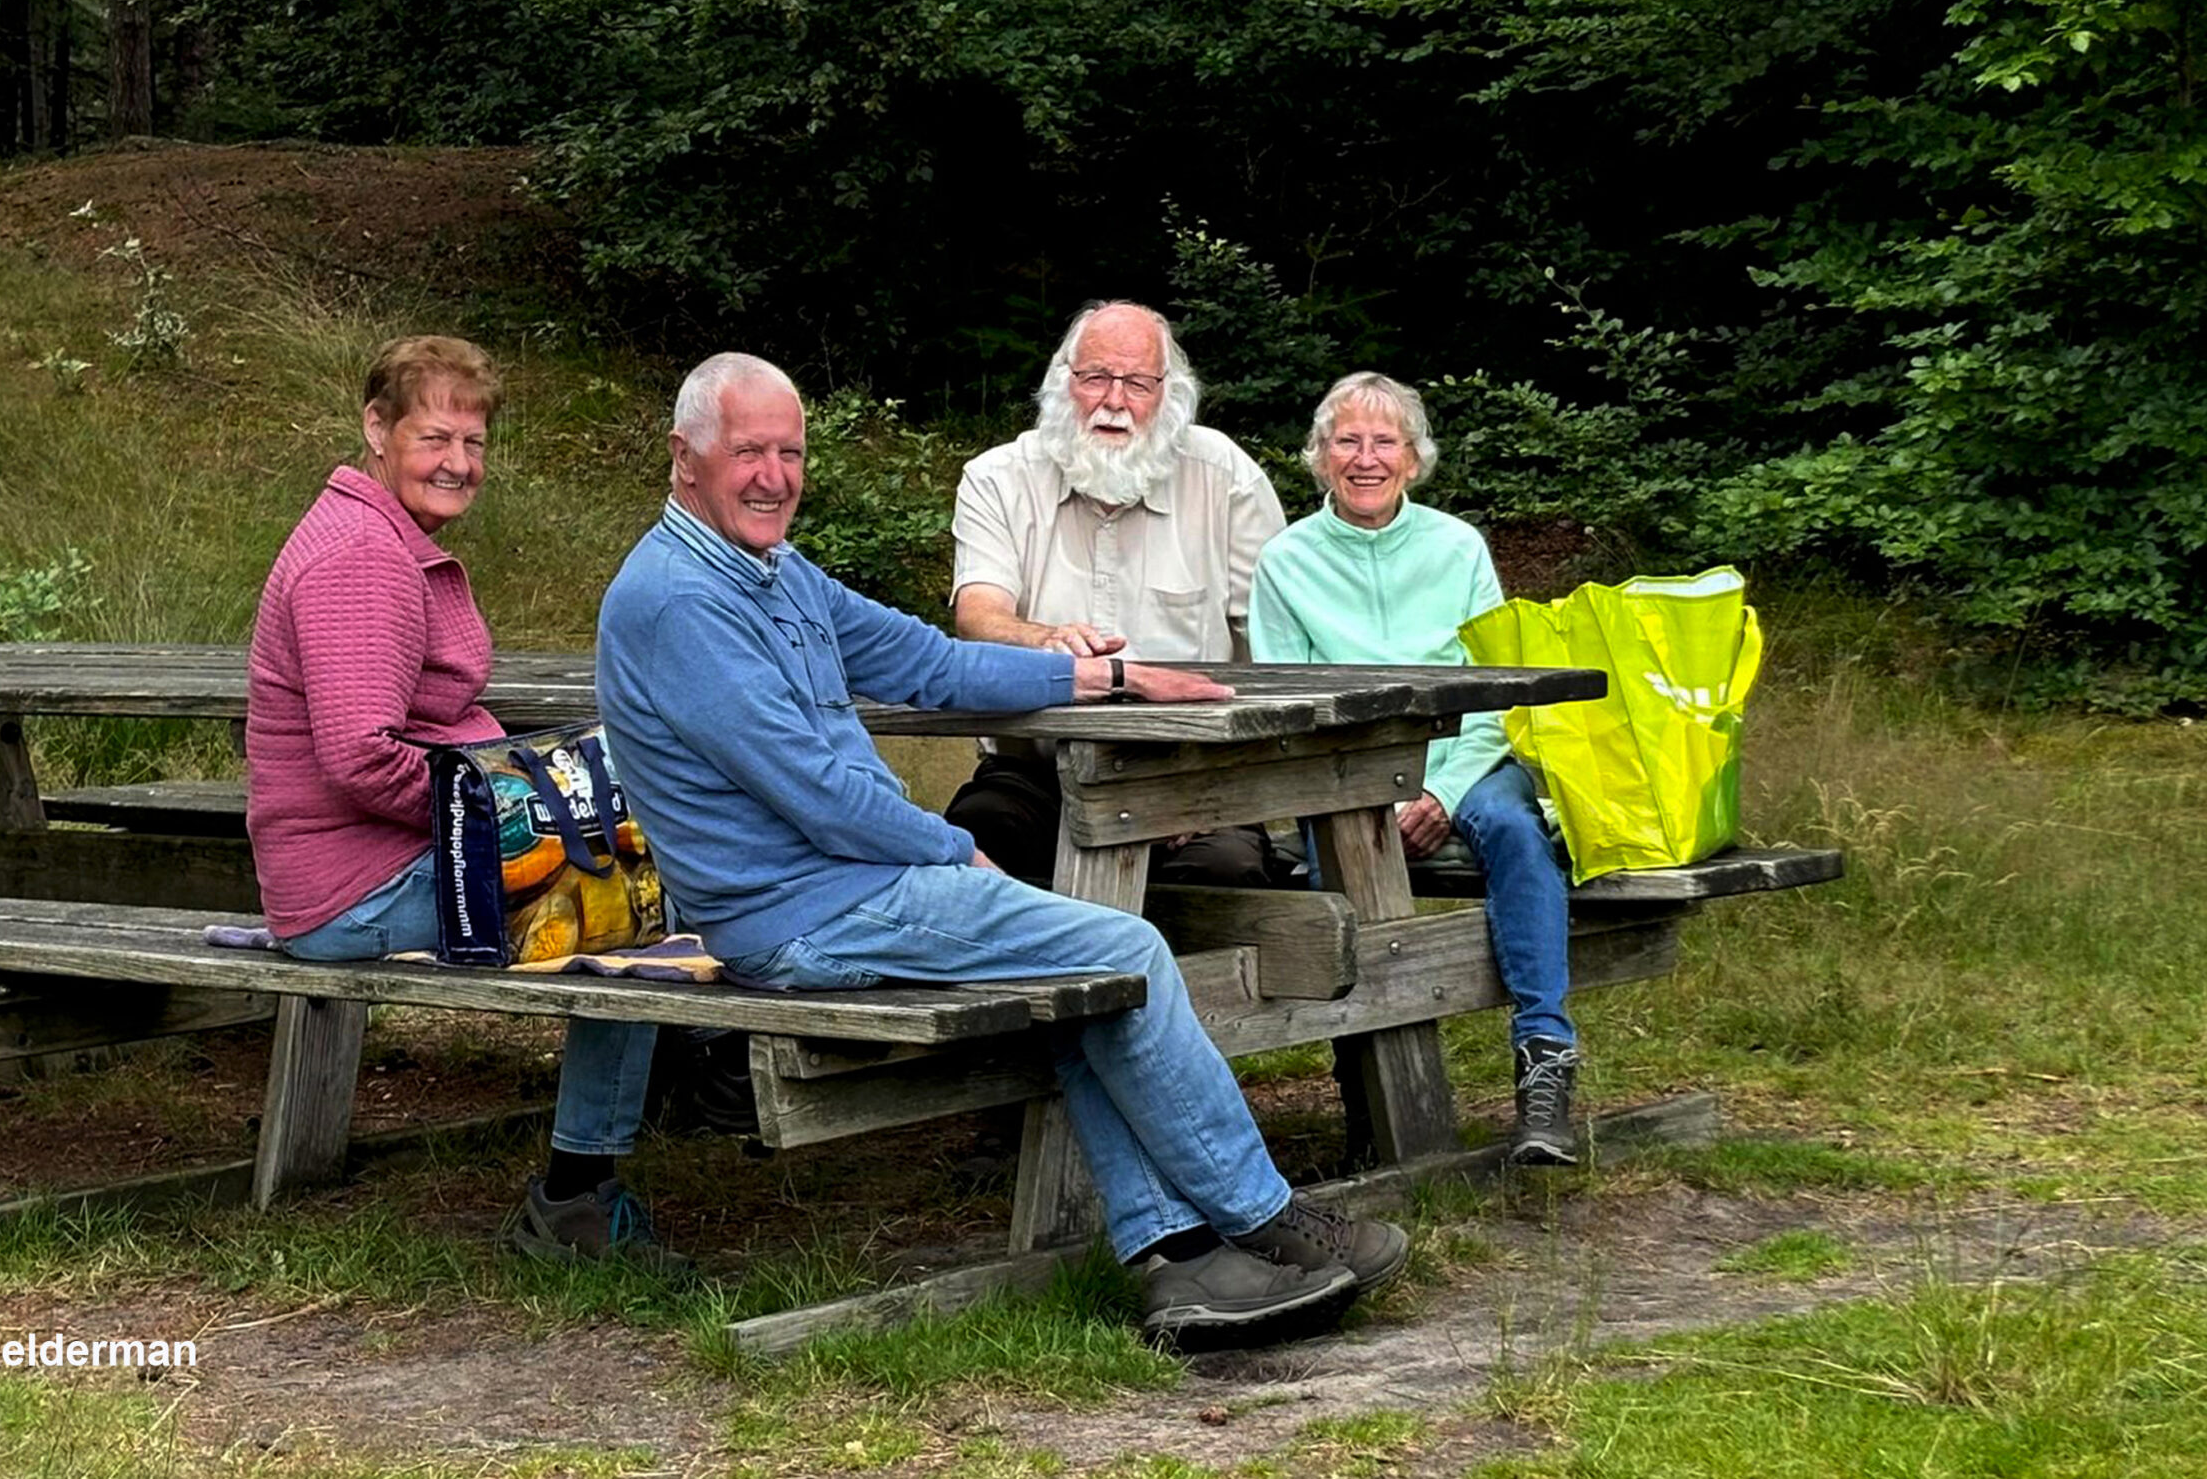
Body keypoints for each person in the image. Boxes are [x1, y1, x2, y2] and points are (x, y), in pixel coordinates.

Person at [591, 352, 1410, 1344]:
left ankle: (1182, 1267)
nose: (773, 474)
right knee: (1129, 952)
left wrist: (1107, 681)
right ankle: (1270, 1219)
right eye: (747, 451)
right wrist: (946, 848)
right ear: (686, 458)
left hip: (844, 887)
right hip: (801, 914)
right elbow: (810, 785)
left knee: (1086, 985)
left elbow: (926, 660)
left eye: (790, 451)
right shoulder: (677, 597)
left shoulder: (773, 573)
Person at [244, 335, 675, 1265]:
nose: (458, 463)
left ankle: (668, 1103)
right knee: (624, 905)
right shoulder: (362, 558)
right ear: (375, 428)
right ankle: (578, 1199)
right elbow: (362, 758)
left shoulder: (382, 538)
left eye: (474, 443)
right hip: (349, 885)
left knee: (639, 855)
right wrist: (519, 816)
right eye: (436, 436)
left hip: (369, 859)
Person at [1247, 371, 1582, 1166]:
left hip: (1464, 757)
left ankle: (1544, 1062)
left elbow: (1502, 690)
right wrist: (1371, 794)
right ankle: (1369, 1088)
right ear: (1321, 456)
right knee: (1335, 868)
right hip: (1342, 777)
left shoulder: (1457, 545)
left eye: (1384, 441)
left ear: (1415, 457)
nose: (1366, 458)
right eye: (1347, 441)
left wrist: (1440, 790)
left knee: (1514, 825)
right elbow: (1285, 710)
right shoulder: (1285, 559)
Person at [946, 302, 1286, 885]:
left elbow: (1274, 648)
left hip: (1193, 776)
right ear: (1063, 383)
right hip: (1036, 777)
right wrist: (1044, 637)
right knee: (972, 844)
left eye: (1138, 383)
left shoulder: (1225, 476)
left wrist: (1211, 789)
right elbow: (978, 615)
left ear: (1169, 395)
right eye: (1096, 377)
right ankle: (1025, 980)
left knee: (1225, 872)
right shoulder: (997, 478)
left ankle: (1181, 981)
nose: (1115, 401)